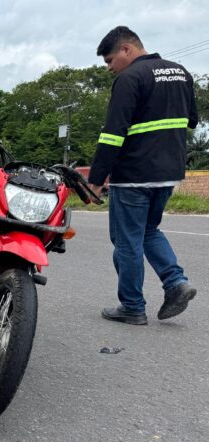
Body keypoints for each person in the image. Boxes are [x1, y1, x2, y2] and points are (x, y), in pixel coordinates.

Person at [89, 26, 199, 326]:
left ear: (127, 49)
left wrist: (96, 179)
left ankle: (132, 307)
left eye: (110, 60)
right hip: (168, 173)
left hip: (134, 175)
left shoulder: (130, 79)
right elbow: (193, 120)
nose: (110, 68)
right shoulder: (181, 73)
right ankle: (176, 283)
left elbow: (112, 135)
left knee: (127, 242)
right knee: (148, 231)